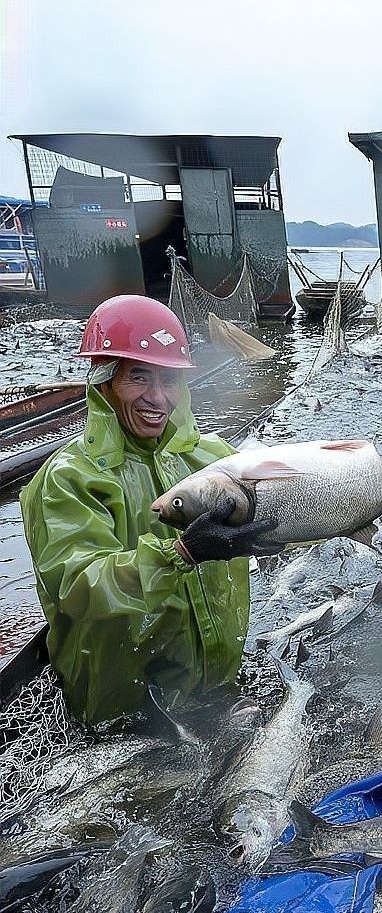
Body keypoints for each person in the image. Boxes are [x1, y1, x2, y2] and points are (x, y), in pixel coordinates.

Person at [20, 295, 275, 725]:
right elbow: (80, 588)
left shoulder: (212, 459)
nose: (157, 398)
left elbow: (281, 501)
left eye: (170, 380)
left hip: (215, 688)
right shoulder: (69, 479)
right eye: (139, 378)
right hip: (125, 709)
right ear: (103, 384)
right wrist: (182, 553)